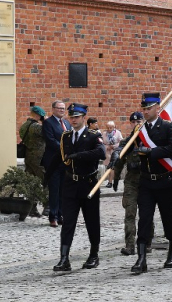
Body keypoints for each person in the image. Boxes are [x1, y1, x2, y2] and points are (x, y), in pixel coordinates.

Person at [49, 103, 106, 271]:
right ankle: (64, 259)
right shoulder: (65, 136)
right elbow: (60, 158)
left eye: (77, 117)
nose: (73, 120)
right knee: (68, 223)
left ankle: (94, 255)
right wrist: (47, 176)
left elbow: (101, 153)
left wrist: (78, 156)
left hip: (88, 184)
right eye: (71, 117)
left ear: (83, 118)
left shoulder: (93, 135)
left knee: (92, 221)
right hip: (70, 184)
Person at [131, 92, 172, 274]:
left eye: (149, 108)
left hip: (164, 181)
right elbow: (128, 144)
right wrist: (116, 155)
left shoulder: (167, 127)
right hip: (146, 182)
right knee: (144, 219)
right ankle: (141, 258)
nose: (145, 111)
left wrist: (152, 152)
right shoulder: (140, 130)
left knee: (168, 218)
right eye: (144, 108)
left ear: (158, 108)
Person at [110, 112, 152, 255]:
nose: (136, 125)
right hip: (131, 182)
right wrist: (115, 180)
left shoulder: (149, 141)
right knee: (130, 213)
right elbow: (119, 162)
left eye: (138, 121)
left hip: (146, 181)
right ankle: (130, 245)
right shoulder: (126, 142)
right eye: (133, 122)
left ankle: (147, 242)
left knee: (147, 214)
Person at [41, 100, 71, 228]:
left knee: (63, 190)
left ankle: (61, 215)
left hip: (65, 162)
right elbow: (50, 140)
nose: (62, 110)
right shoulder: (48, 123)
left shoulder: (66, 123)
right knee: (54, 190)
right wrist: (65, 149)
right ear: (53, 109)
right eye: (59, 108)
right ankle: (52, 216)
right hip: (53, 160)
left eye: (63, 109)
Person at [19, 106, 46, 216]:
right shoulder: (36, 127)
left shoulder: (24, 126)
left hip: (28, 157)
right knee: (46, 181)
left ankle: (31, 207)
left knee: (31, 183)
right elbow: (47, 134)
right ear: (38, 115)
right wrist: (45, 122)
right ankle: (47, 206)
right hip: (39, 158)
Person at [103, 121, 123, 188]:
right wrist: (107, 147)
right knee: (109, 167)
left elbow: (121, 142)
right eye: (108, 127)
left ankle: (112, 181)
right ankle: (111, 180)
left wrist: (113, 146)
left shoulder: (117, 133)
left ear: (114, 127)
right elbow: (102, 144)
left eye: (110, 127)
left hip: (115, 152)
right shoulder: (104, 134)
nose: (109, 129)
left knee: (113, 168)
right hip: (108, 153)